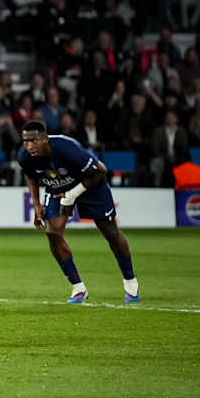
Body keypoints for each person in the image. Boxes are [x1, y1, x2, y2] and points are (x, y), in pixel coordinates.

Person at [18, 120, 139, 304]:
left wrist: (72, 194)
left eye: (33, 141)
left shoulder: (66, 148)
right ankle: (78, 288)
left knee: (110, 232)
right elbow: (31, 176)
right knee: (52, 232)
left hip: (90, 185)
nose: (29, 146)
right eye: (25, 141)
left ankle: (130, 282)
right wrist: (36, 205)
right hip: (58, 188)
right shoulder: (25, 156)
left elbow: (101, 171)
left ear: (44, 138)